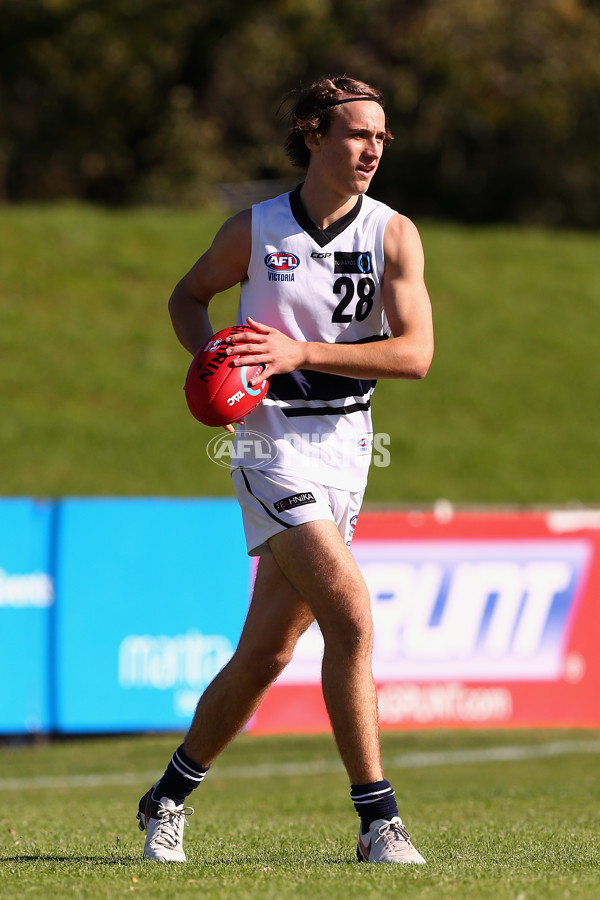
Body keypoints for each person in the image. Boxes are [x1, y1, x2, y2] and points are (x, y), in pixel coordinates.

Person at [137, 74, 434, 865]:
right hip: (270, 448)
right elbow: (187, 297)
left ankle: (166, 797)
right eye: (356, 134)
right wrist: (216, 368)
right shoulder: (254, 228)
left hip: (349, 449)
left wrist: (302, 351)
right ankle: (380, 821)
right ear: (312, 134)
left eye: (381, 137)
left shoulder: (394, 234)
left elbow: (416, 353)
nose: (373, 148)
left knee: (267, 654)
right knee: (354, 618)